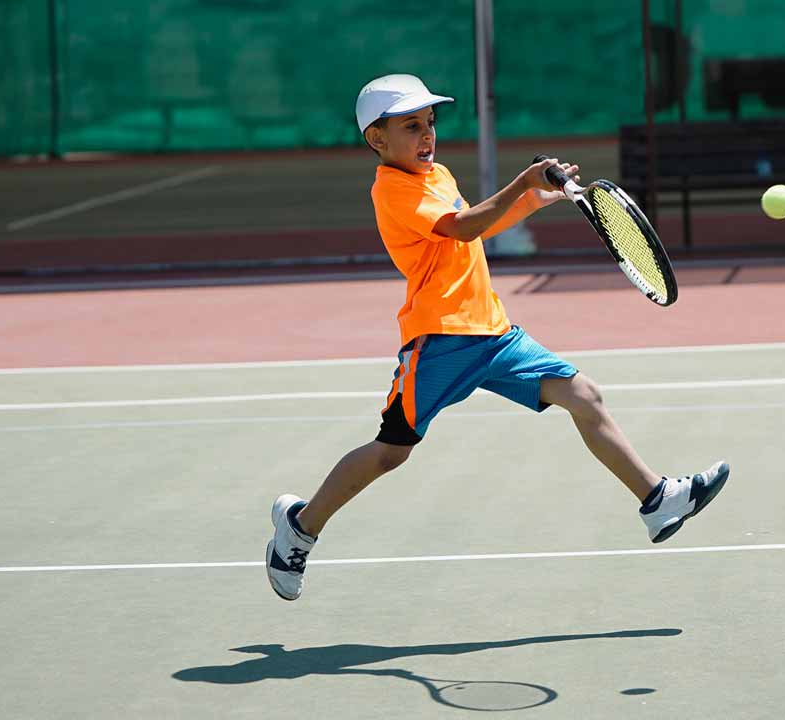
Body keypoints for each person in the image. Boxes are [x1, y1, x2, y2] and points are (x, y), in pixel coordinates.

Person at [266, 74, 729, 601]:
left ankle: (657, 499)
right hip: (439, 341)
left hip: (494, 331)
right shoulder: (392, 190)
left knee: (583, 395)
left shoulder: (435, 174)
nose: (426, 135)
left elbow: (477, 224)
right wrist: (524, 181)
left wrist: (536, 197)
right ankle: (300, 526)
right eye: (411, 126)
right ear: (377, 139)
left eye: (430, 122)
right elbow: (462, 228)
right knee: (391, 452)